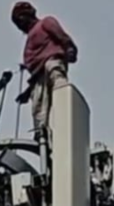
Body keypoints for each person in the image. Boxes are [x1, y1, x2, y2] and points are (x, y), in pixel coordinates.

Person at [11, 1, 78, 140]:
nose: (20, 25)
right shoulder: (28, 42)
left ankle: (64, 98)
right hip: (37, 78)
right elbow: (34, 68)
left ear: (27, 15)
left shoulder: (45, 23)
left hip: (51, 62)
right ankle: (42, 135)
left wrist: (70, 49)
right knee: (38, 106)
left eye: (20, 19)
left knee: (56, 76)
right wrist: (27, 92)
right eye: (17, 23)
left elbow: (62, 36)